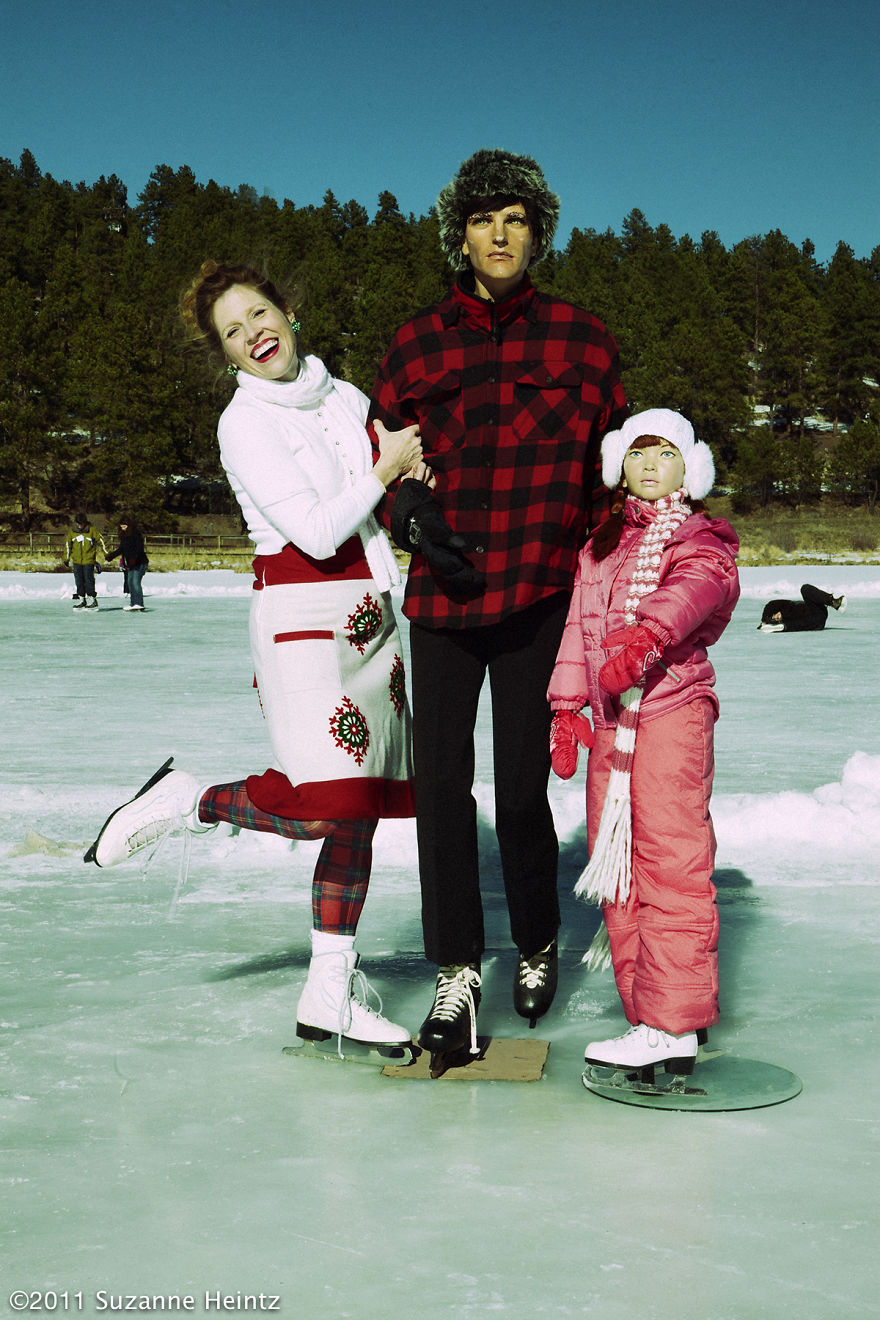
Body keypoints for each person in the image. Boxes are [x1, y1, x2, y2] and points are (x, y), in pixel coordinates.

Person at [84, 260, 425, 1057]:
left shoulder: (343, 397)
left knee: (360, 811)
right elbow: (315, 531)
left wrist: (413, 466)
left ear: (290, 313)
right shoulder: (244, 422)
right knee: (320, 807)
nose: (254, 333)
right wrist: (384, 465)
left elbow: (398, 479)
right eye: (233, 332)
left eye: (260, 314)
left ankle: (328, 992)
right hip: (303, 615)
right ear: (226, 354)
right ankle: (188, 799)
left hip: (373, 618)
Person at [368, 148, 628, 1059]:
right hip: (443, 594)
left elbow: (611, 476)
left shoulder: (583, 340)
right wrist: (409, 514)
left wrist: (623, 578)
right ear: (460, 234)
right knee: (441, 789)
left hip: (538, 595)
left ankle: (537, 939)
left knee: (520, 790)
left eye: (517, 218)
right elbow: (382, 458)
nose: (500, 233)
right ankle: (456, 972)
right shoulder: (413, 344)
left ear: (537, 232)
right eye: (484, 219)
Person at [547, 409, 739, 1079]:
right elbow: (579, 623)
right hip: (610, 725)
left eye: (665, 452)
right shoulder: (600, 545)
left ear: (691, 467)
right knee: (617, 870)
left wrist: (646, 636)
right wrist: (566, 702)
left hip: (671, 713)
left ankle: (673, 1024)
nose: (650, 463)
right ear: (617, 465)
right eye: (637, 453)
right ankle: (648, 1017)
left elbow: (699, 588)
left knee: (670, 867)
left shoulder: (699, 536)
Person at [758, 584, 846, 632]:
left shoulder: (783, 606)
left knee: (805, 589)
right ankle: (833, 603)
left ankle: (833, 602)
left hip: (816, 608)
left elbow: (770, 604)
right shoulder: (789, 622)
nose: (777, 617)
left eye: (775, 615)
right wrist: (782, 626)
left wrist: (764, 620)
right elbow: (796, 626)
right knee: (805, 590)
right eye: (777, 620)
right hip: (815, 619)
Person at [104, 516, 149, 611]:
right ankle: (133, 603)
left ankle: (139, 603)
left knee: (135, 583)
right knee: (130, 583)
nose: (123, 528)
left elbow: (139, 549)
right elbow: (121, 549)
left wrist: (134, 560)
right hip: (131, 564)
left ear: (129, 526)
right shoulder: (124, 537)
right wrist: (111, 556)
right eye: (121, 526)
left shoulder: (136, 534)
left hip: (140, 562)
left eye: (125, 526)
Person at [64, 513, 106, 609]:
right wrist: (66, 558)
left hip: (89, 560)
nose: (80, 526)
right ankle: (82, 600)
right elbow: (67, 545)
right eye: (78, 524)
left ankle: (92, 600)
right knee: (79, 581)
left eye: (81, 524)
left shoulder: (92, 530)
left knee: (89, 580)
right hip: (77, 561)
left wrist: (106, 553)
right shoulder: (72, 532)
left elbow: (101, 541)